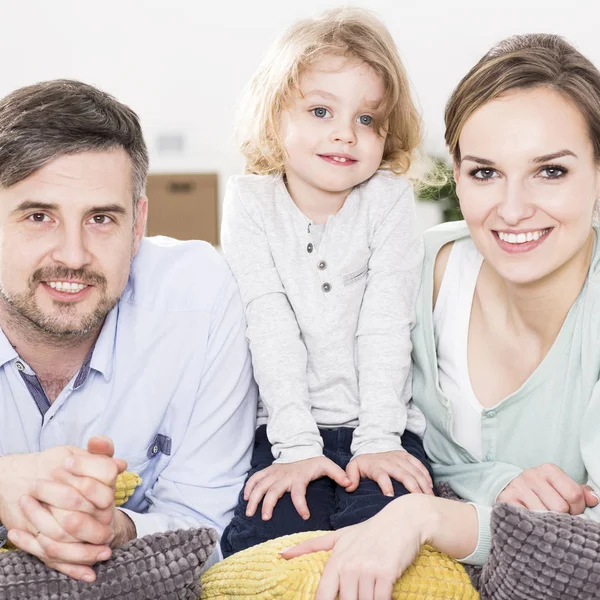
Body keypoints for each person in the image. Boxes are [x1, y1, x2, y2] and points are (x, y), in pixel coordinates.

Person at [283, 33, 600, 600]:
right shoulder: (412, 267)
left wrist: (422, 519)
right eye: (485, 172)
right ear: (455, 172)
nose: (511, 208)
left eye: (550, 171)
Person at [0, 79, 257, 582]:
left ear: (138, 223)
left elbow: (209, 530)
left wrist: (118, 528)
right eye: (38, 216)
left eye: (100, 218)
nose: (72, 256)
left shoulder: (201, 299)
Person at [220, 7, 434, 557]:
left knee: (386, 539)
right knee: (270, 538)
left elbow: (387, 326)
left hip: (381, 426)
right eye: (320, 110)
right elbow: (267, 324)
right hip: (289, 428)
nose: (345, 133)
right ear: (274, 119)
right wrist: (294, 447)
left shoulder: (387, 200)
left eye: (367, 119)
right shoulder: (250, 202)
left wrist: (381, 442)